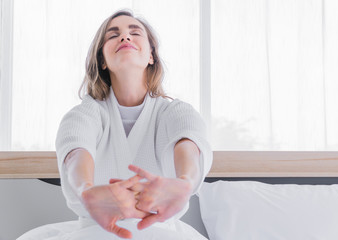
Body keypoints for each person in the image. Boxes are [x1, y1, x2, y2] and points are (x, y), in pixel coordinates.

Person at [18, 9, 212, 240]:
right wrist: (85, 190)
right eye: (113, 35)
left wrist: (185, 183)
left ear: (151, 55)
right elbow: (76, 150)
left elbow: (188, 141)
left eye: (134, 32)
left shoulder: (176, 112)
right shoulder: (84, 115)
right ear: (102, 60)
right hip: (94, 231)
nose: (125, 37)